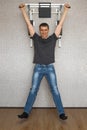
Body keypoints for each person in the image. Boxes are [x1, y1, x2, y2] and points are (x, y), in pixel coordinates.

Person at [18, 3, 71, 120]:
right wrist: (22, 10)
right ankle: (26, 112)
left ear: (48, 30)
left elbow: (60, 24)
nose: (43, 32)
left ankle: (61, 113)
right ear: (39, 31)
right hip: (38, 67)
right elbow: (28, 24)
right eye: (41, 30)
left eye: (45, 30)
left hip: (50, 68)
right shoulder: (36, 38)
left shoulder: (53, 38)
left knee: (55, 90)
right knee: (33, 90)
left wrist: (66, 10)